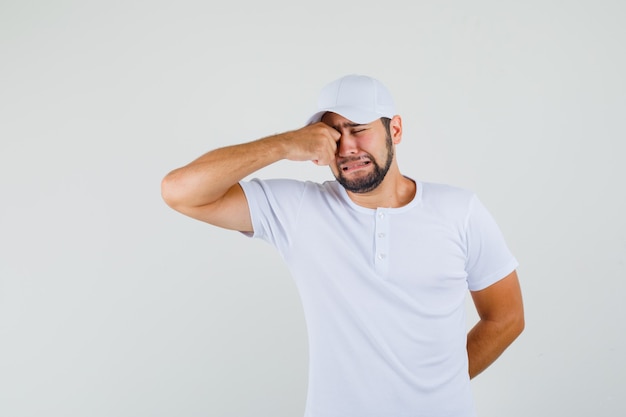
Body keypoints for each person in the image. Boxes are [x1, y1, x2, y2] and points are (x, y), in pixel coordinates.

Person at [161, 74, 524, 417]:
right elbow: (180, 191)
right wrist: (285, 143)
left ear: (394, 130)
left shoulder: (459, 211)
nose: (346, 146)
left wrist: (440, 385)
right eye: (332, 134)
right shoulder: (299, 209)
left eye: (359, 129)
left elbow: (506, 317)